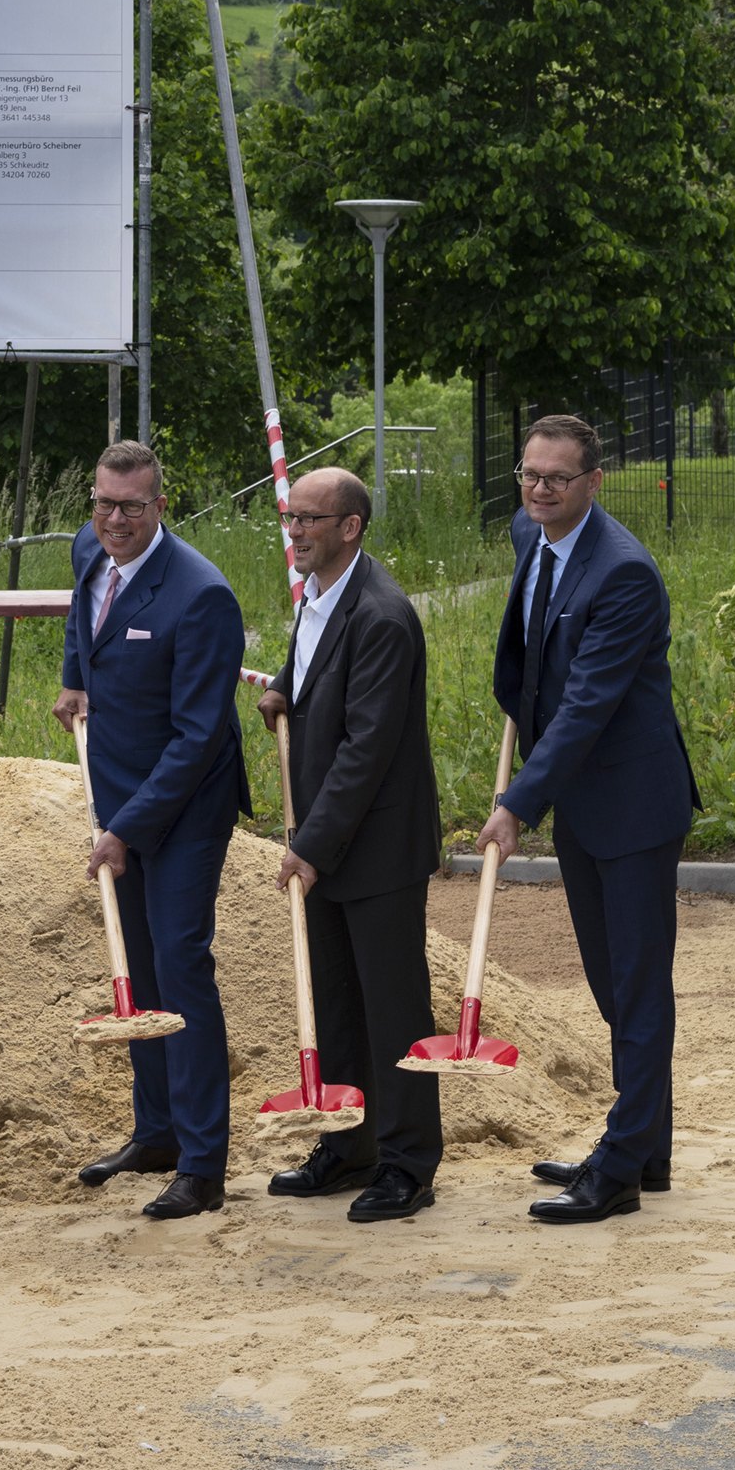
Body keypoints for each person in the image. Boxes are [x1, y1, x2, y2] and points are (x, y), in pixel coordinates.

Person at [478, 415, 698, 1225]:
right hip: (580, 797)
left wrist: (515, 804)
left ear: (593, 483)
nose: (539, 490)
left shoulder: (623, 574)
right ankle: (647, 1147)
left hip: (632, 804)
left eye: (557, 479)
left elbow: (584, 707)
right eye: (529, 475)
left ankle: (619, 1169)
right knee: (615, 990)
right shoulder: (527, 532)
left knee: (635, 991)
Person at [57, 439, 249, 1217]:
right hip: (121, 797)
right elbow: (82, 614)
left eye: (131, 507)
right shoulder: (90, 548)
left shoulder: (200, 595)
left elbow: (197, 735)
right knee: (133, 970)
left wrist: (127, 829)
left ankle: (202, 1163)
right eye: (103, 503)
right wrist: (74, 676)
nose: (113, 520)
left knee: (178, 968)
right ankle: (157, 1130)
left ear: (160, 506)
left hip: (184, 809)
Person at [256, 469, 443, 1221]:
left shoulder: (382, 615)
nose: (294, 530)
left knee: (391, 1009)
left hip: (374, 846)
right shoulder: (318, 594)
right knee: (334, 1001)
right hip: (328, 841)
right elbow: (313, 667)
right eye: (290, 516)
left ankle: (405, 1165)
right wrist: (282, 688)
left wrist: (310, 844)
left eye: (309, 519)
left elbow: (366, 746)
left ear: (350, 527)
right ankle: (347, 1144)